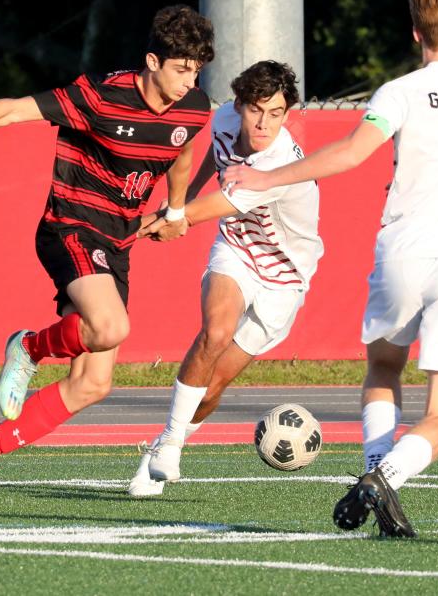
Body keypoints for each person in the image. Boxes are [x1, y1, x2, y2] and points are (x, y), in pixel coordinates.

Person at [222, 0, 438, 537]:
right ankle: (385, 481)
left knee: (384, 367)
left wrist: (264, 178)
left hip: (402, 253)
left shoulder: (401, 91)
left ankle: (376, 475)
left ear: (415, 33)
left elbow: (353, 154)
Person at [0, 4, 214, 504]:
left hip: (118, 242)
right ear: (152, 60)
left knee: (92, 383)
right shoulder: (101, 95)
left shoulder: (193, 107)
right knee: (111, 328)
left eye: (196, 69)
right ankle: (30, 347)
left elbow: (182, 151)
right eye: (180, 68)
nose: (189, 79)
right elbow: (18, 107)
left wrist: (174, 211)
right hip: (71, 224)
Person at [127, 60, 323, 496]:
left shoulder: (278, 161)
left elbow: (202, 214)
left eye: (276, 113)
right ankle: (171, 447)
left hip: (284, 278)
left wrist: (146, 223)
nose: (264, 123)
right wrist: (182, 198)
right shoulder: (224, 118)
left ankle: (160, 445)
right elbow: (206, 164)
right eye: (257, 110)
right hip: (235, 249)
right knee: (214, 333)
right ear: (239, 104)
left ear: (287, 115)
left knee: (214, 385)